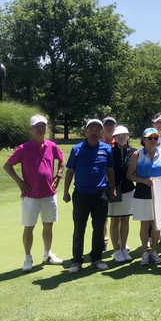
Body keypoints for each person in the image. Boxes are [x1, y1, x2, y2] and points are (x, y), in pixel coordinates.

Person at [4, 114, 65, 272]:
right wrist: (20, 182)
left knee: (48, 226)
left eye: (43, 125)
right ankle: (28, 258)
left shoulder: (51, 146)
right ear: (31, 129)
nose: (40, 128)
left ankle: (47, 254)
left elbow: (61, 159)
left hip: (49, 194)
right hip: (30, 195)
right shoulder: (23, 148)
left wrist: (58, 175)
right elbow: (7, 166)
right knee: (29, 227)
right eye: (37, 126)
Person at [64, 119, 116, 274]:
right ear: (86, 131)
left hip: (100, 194)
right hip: (81, 194)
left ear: (101, 132)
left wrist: (113, 188)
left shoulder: (106, 149)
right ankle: (77, 261)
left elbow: (110, 169)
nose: (94, 132)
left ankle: (96, 258)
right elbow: (70, 171)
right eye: (91, 129)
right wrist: (66, 191)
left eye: (97, 129)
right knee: (79, 228)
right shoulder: (77, 149)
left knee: (99, 228)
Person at [127, 128, 161, 266]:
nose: (152, 141)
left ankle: (154, 252)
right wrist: (143, 180)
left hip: (158, 194)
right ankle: (145, 252)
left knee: (156, 225)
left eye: (155, 138)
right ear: (143, 140)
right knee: (145, 224)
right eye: (149, 138)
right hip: (142, 192)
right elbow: (130, 175)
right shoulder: (137, 154)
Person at [107, 126, 136, 263]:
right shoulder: (110, 152)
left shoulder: (134, 152)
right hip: (114, 189)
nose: (121, 137)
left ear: (128, 136)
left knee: (125, 219)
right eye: (118, 135)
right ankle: (116, 250)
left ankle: (124, 248)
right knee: (114, 220)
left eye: (124, 135)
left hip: (129, 189)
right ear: (114, 138)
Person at [100, 116, 117, 248]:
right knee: (103, 213)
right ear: (103, 128)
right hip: (102, 182)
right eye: (107, 125)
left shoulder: (119, 142)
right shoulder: (98, 142)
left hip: (117, 182)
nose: (109, 127)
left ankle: (118, 241)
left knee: (117, 213)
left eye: (111, 125)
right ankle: (104, 238)